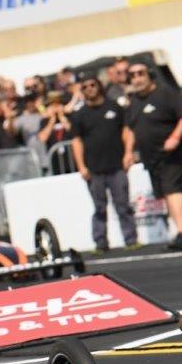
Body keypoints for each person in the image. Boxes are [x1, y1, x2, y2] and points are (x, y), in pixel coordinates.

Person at [125, 62, 182, 250]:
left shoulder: (166, 93)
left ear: (149, 75)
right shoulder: (134, 101)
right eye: (132, 75)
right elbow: (131, 129)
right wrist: (128, 151)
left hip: (173, 153)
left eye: (141, 73)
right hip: (152, 157)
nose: (137, 78)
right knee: (166, 193)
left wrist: (175, 136)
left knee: (172, 189)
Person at [70, 74, 139, 253]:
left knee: (123, 205)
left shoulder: (114, 107)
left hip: (117, 165)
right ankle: (101, 243)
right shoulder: (79, 115)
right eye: (84, 87)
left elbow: (126, 131)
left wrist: (128, 153)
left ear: (99, 86)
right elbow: (76, 142)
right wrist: (81, 166)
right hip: (93, 169)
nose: (89, 89)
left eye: (92, 84)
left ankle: (131, 240)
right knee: (99, 208)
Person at [39, 91, 76, 174]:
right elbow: (42, 138)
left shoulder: (70, 117)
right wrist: (52, 121)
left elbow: (75, 133)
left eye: (57, 104)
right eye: (52, 105)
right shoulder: (44, 121)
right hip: (55, 161)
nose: (55, 108)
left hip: (71, 160)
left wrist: (62, 118)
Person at [14, 94, 49, 171]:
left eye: (32, 101)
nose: (30, 103)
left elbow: (47, 115)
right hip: (32, 158)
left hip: (46, 156)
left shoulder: (41, 114)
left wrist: (40, 106)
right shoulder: (21, 118)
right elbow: (13, 130)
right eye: (28, 101)